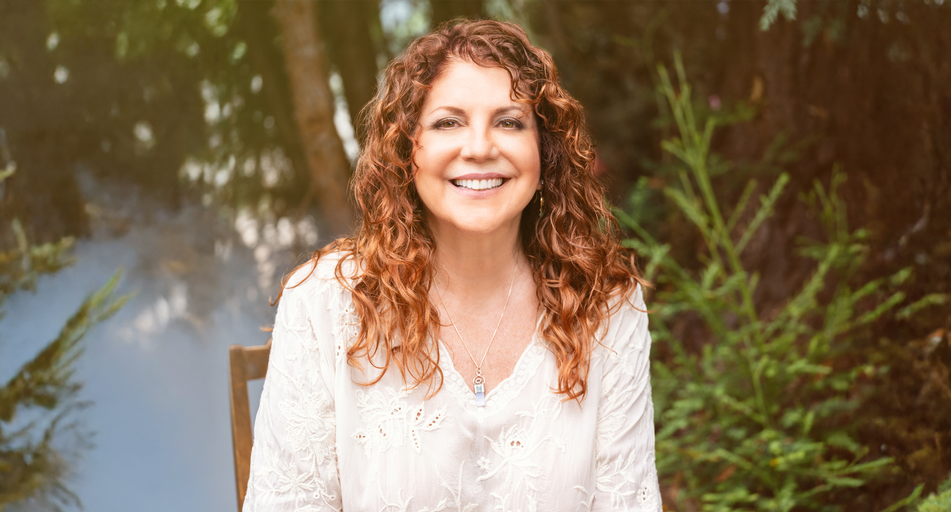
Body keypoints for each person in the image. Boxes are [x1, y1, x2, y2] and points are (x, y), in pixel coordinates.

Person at [242, 19, 661, 511]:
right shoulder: (326, 303)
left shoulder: (607, 308)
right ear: (406, 150)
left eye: (509, 121)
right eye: (448, 122)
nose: (480, 147)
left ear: (545, 152)